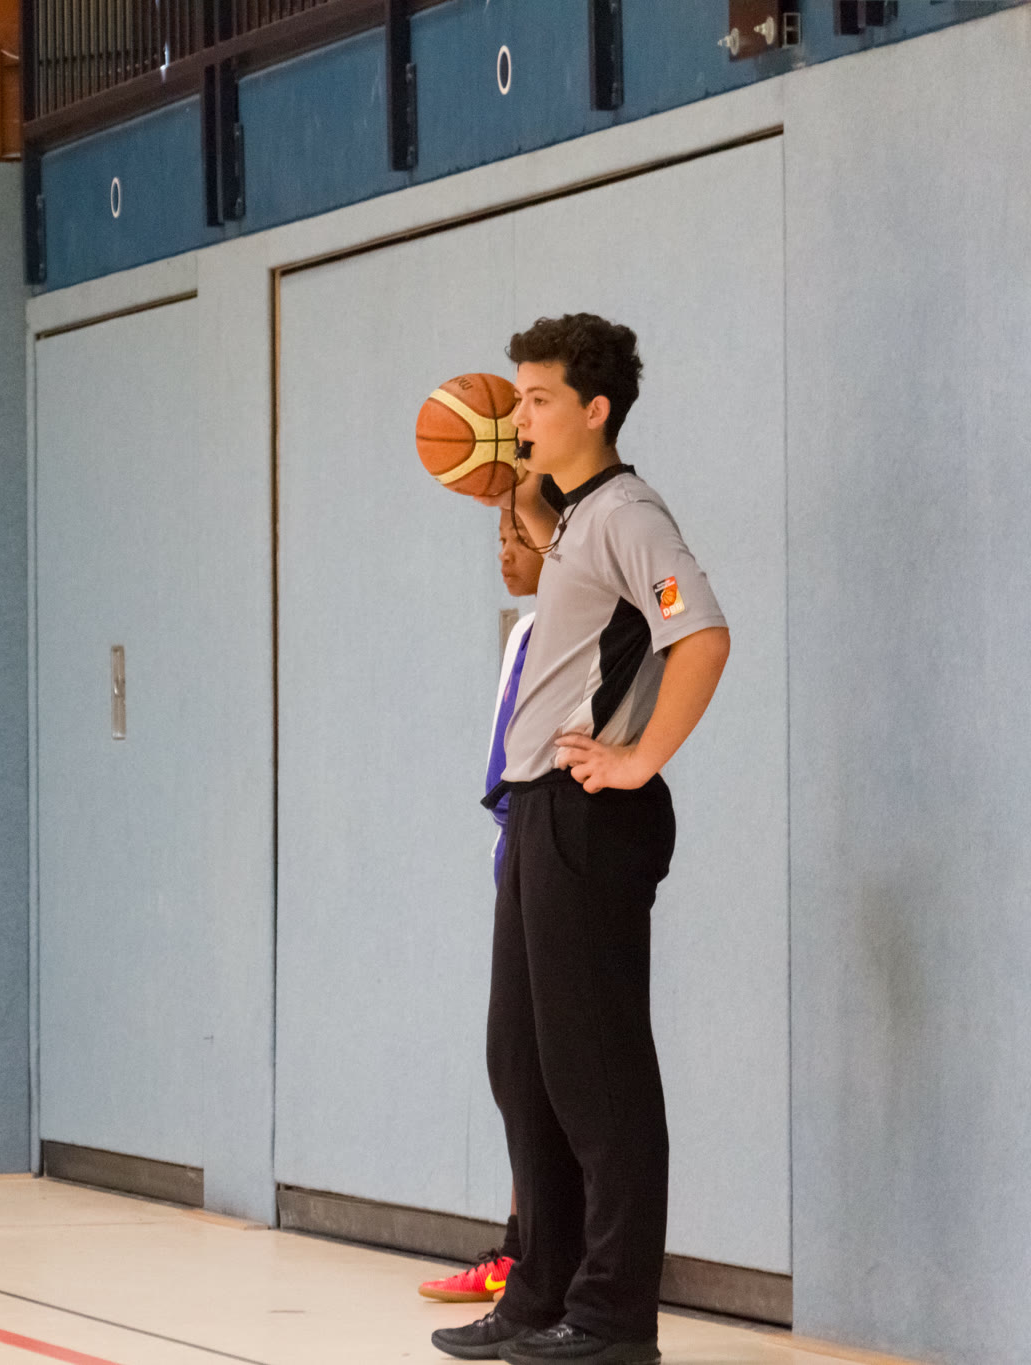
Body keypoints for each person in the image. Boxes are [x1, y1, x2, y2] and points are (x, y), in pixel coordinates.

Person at [431, 315, 730, 1365]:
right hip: (536, 812)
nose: (518, 416)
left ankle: (611, 1320)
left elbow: (700, 631)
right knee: (524, 1064)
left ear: (595, 409)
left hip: (589, 817)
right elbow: (551, 534)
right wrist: (515, 486)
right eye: (514, 398)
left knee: (597, 1074)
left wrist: (639, 758)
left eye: (538, 399)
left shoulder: (627, 514)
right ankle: (538, 1294)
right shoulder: (575, 518)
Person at [417, 510, 542, 1306]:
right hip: (520, 858)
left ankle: (544, 1255)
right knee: (514, 1063)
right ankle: (521, 1248)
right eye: (497, 539)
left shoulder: (593, 628)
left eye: (516, 538)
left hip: (570, 868)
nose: (503, 552)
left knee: (551, 1073)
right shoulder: (523, 635)